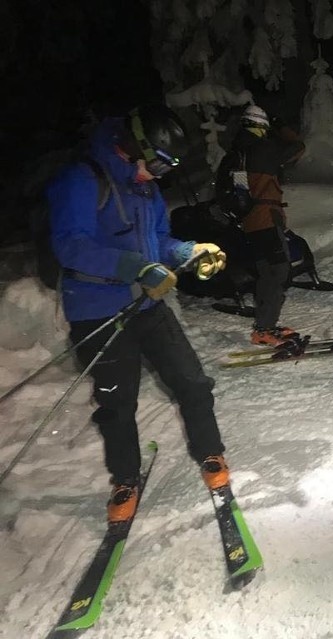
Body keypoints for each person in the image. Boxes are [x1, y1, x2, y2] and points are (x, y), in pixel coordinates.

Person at [48, 104, 230, 522]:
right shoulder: (82, 179)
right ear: (133, 146)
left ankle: (211, 453)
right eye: (159, 165)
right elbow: (71, 246)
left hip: (146, 305)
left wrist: (188, 252)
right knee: (117, 404)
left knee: (193, 383)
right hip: (98, 312)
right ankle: (125, 478)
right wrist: (137, 267)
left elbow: (159, 240)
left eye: (167, 170)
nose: (159, 175)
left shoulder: (144, 185)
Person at [216, 104, 302, 347]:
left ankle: (263, 327)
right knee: (279, 272)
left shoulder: (236, 152)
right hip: (265, 218)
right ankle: (265, 328)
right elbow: (298, 147)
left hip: (249, 222)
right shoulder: (262, 148)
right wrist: (280, 124)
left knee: (267, 272)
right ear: (262, 126)